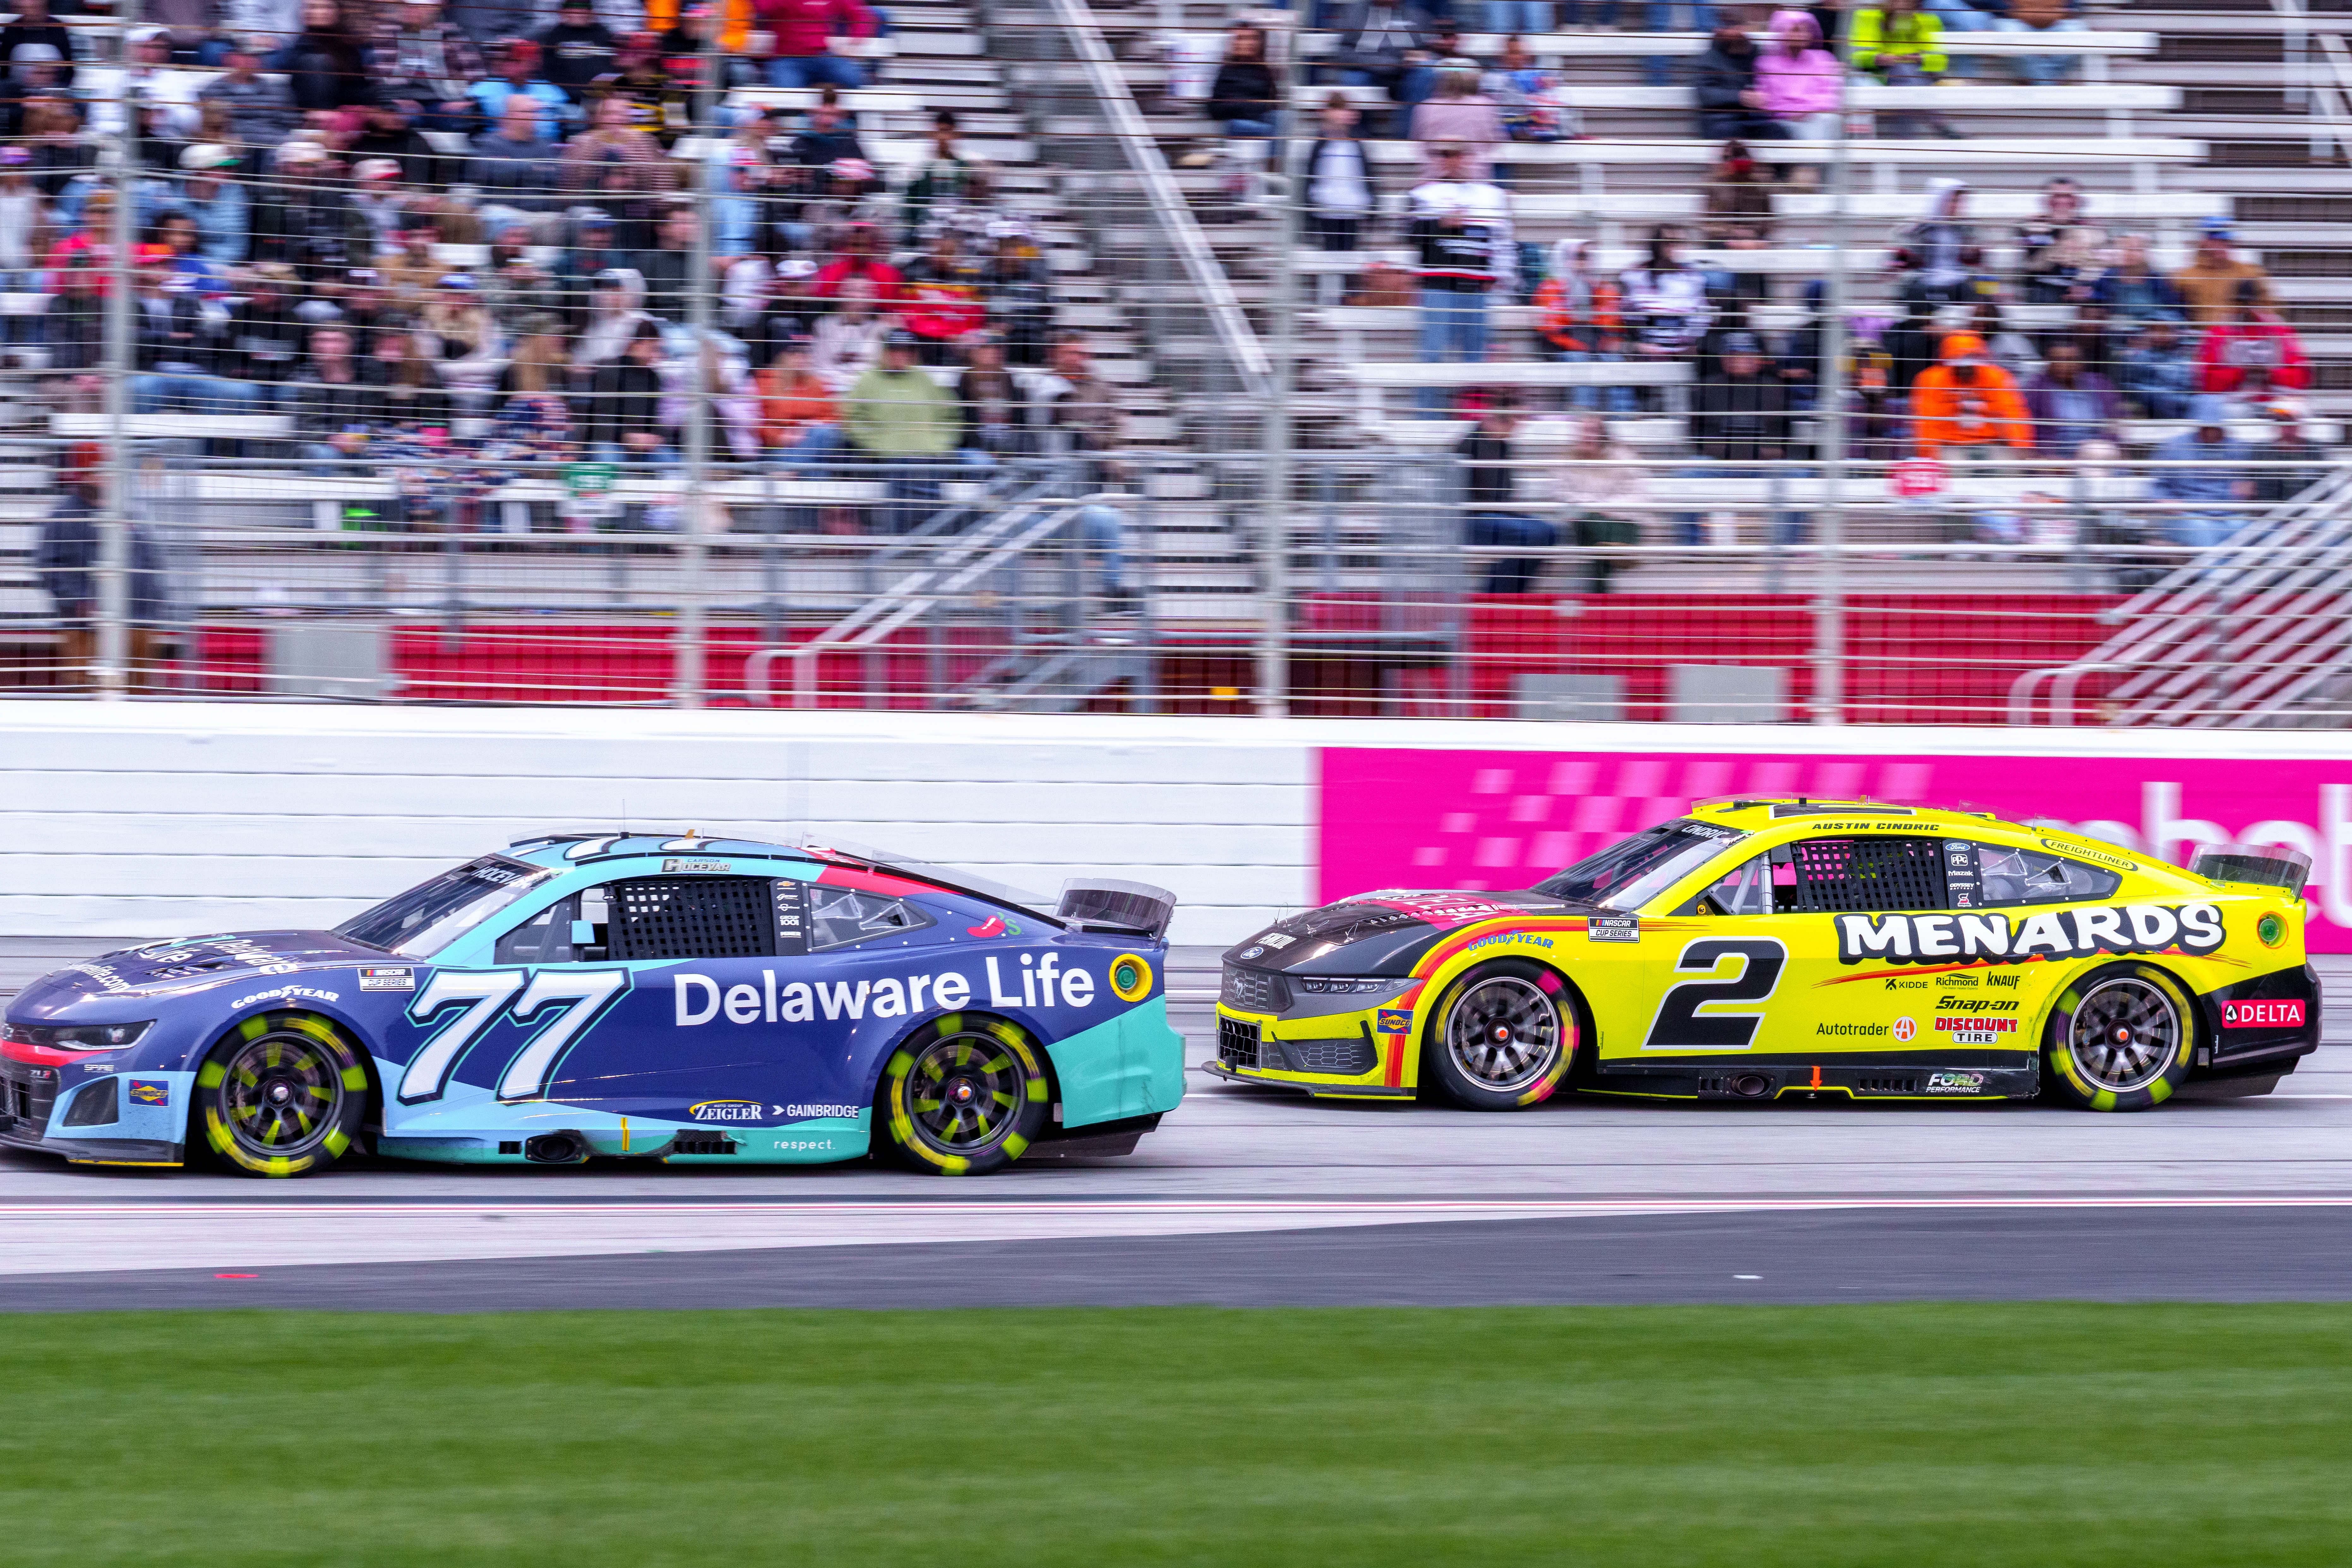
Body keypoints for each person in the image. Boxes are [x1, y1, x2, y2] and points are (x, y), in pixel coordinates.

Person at [37, 446, 169, 689]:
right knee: (87, 694)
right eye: (101, 469)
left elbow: (151, 560)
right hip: (87, 627)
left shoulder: (128, 512)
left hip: (137, 622)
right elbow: (47, 567)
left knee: (139, 694)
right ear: (84, 473)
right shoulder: (63, 516)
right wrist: (78, 602)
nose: (109, 475)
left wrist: (155, 603)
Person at [1405, 141, 1514, 415]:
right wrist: (1440, 223)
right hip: (1438, 285)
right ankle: (1427, 424)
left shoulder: (1492, 196)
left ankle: (1473, 423)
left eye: (1459, 154)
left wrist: (1501, 278)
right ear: (1438, 159)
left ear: (1470, 157)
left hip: (1476, 288)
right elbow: (1409, 236)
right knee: (1433, 358)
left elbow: (1503, 241)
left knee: (1475, 362)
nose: (1453, 161)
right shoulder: (1423, 194)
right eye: (1446, 155)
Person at [1689, 330, 1801, 544]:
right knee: (1688, 475)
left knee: (1799, 476)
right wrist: (1739, 450)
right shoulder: (1704, 389)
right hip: (1718, 464)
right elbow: (1698, 440)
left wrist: (1753, 452)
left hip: (1763, 464)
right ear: (1723, 359)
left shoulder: (1776, 389)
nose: (1741, 360)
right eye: (1734, 355)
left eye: (1747, 355)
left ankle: (1785, 547)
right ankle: (1690, 547)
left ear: (1758, 359)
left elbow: (1784, 440)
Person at [846, 327, 958, 534]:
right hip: (885, 458)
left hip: (926, 454)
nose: (900, 355)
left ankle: (931, 539)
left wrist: (940, 443)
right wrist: (877, 444)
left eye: (906, 351)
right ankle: (898, 539)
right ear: (884, 352)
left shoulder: (924, 380)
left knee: (931, 474)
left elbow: (950, 416)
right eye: (895, 350)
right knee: (906, 472)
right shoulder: (868, 381)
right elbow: (853, 418)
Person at [1457, 399, 1557, 594]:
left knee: (1550, 532)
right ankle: (1496, 595)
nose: (1517, 429)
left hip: (1494, 515)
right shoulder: (1470, 445)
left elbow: (1504, 495)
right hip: (1469, 520)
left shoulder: (1503, 446)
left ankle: (1510, 593)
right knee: (1536, 534)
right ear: (1497, 421)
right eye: (1514, 423)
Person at [1533, 238, 1630, 411]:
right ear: (1565, 259)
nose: (1584, 262)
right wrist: (1580, 346)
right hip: (1562, 349)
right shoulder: (1549, 288)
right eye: (1579, 256)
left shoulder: (1603, 288)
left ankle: (1623, 417)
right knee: (1579, 360)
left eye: (1587, 257)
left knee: (1614, 360)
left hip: (1596, 346)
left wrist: (1593, 293)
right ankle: (1585, 416)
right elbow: (1551, 330)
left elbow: (1613, 326)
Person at [1556, 412, 1647, 593]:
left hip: (1618, 519)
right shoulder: (1565, 462)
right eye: (1583, 431)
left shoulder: (1623, 457)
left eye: (1593, 431)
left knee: (1598, 538)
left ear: (1603, 435)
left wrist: (1607, 509)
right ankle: (1622, 550)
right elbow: (1562, 496)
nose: (1587, 435)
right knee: (1585, 520)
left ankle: (1601, 586)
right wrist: (1594, 509)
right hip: (1584, 521)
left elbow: (1638, 494)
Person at [1908, 329, 2029, 463]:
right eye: (1959, 364)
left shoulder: (1997, 377)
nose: (1966, 369)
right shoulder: (1930, 380)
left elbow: (2011, 413)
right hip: (1950, 446)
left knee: (2008, 468)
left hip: (1991, 444)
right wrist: (1928, 455)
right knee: (1953, 471)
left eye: (1971, 364)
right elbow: (1927, 421)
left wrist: (2020, 445)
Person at [2148, 396, 2251, 551]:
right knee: (2203, 531)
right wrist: (2165, 501)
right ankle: (2215, 575)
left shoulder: (2236, 448)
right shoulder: (2174, 448)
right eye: (2207, 427)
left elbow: (2242, 486)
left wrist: (2243, 493)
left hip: (2226, 513)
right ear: (2199, 425)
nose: (2212, 432)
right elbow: (2157, 486)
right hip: (2188, 513)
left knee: (2246, 528)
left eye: (2216, 427)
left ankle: (2237, 574)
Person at [1303, 93, 1377, 303]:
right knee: (1330, 254)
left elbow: (1367, 175)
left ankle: (1345, 298)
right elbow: (1311, 178)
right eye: (1338, 110)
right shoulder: (1320, 144)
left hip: (1351, 210)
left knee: (1349, 254)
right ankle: (1329, 299)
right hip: (1328, 211)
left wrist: (1371, 205)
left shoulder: (1356, 144)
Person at [1849, 0, 1960, 137]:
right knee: (1905, 74)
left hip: (1917, 76)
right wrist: (1879, 58)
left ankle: (1904, 142)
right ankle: (1939, 124)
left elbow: (1940, 61)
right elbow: (1858, 56)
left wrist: (1919, 58)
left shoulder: (1928, 21)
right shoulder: (1868, 17)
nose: (1902, 3)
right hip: (1881, 75)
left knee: (1906, 77)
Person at [371, 0, 485, 133]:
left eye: (418, 7)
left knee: (461, 118)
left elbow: (476, 77)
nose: (411, 11)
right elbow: (380, 78)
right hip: (403, 102)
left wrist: (464, 101)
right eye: (408, 6)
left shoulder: (451, 35)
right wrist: (394, 101)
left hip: (443, 104)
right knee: (402, 118)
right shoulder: (389, 34)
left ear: (433, 10)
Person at [2196, 278, 2310, 399]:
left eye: (2251, 303)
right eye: (2241, 303)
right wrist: (2240, 374)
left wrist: (2271, 374)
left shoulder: (2279, 330)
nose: (2246, 309)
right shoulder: (2219, 332)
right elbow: (2205, 380)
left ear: (2261, 303)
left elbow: (2302, 376)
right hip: (2231, 401)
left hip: (2275, 399)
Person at [272, 0, 375, 115]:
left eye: (326, 7)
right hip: (316, 113)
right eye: (312, 7)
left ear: (337, 12)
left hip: (348, 110)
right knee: (315, 62)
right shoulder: (302, 48)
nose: (319, 12)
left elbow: (357, 88)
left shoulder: (349, 45)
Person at [1411, 61, 1505, 180]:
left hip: (1436, 180)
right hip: (1473, 181)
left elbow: (1421, 144)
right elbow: (1494, 143)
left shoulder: (1425, 108)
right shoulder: (1487, 106)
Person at [1694, 17, 1783, 142]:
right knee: (1731, 134)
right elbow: (1705, 93)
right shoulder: (1708, 59)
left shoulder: (1757, 53)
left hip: (1755, 120)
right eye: (1731, 28)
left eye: (1739, 27)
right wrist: (1740, 97)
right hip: (1722, 120)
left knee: (1779, 132)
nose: (1737, 32)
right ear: (1719, 31)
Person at [2022, 339, 2118, 456]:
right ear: (2048, 363)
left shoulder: (2100, 384)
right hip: (2057, 456)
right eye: (2058, 360)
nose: (2065, 365)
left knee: (2098, 453)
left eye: (2071, 359)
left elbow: (2114, 423)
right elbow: (2031, 432)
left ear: (2082, 362)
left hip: (2097, 451)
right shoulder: (2037, 390)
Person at [756, 0, 877, 91]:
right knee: (787, 94)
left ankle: (843, 122)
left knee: (853, 79)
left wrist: (858, 36)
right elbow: (762, 7)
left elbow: (858, 12)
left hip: (823, 56)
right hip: (788, 59)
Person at [196, 39, 299, 146]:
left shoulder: (278, 91)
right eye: (243, 56)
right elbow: (210, 132)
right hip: (232, 150)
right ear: (228, 58)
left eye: (254, 56)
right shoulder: (213, 92)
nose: (249, 61)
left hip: (275, 147)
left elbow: (291, 126)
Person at [1757, 9, 1840, 141]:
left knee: (1829, 119)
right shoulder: (1766, 64)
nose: (1798, 35)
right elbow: (1770, 102)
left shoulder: (1823, 59)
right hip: (1784, 122)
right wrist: (1796, 113)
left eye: (1803, 30)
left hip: (1817, 118)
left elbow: (1830, 97)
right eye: (1793, 30)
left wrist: (1806, 111)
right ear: (1782, 34)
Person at [2172, 219, 2269, 327]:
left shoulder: (2249, 273)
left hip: (2237, 338)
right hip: (2200, 338)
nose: (2224, 246)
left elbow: (2269, 307)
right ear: (2205, 243)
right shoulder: (2186, 276)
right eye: (2218, 241)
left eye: (2227, 241)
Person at [536, 0, 620, 104]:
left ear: (591, 12)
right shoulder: (554, 37)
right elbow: (548, 72)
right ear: (563, 12)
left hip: (599, 99)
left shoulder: (603, 35)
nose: (578, 12)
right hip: (565, 100)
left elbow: (609, 68)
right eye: (573, 8)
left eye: (583, 8)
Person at [1207, 24, 1279, 138]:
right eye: (1243, 39)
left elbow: (1274, 104)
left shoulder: (1264, 71)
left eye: (1254, 39)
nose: (1251, 43)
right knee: (1273, 131)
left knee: (1282, 117)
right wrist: (1244, 107)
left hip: (1262, 120)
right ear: (1234, 43)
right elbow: (1214, 109)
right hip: (1237, 124)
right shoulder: (1227, 71)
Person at [2116, 318, 2196, 420]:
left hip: (2175, 417)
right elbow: (2129, 387)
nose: (2160, 335)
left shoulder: (2182, 362)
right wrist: (2160, 395)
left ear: (2175, 334)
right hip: (2146, 415)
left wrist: (2167, 398)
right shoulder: (2140, 358)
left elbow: (2187, 395)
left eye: (2165, 331)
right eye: (2156, 330)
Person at [1995, 0, 2086, 87]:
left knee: (2078, 31)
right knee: (2008, 32)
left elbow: (2073, 8)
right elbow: (2001, 7)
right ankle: (2050, 87)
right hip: (2018, 24)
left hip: (2056, 25)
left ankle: (2037, 85)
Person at [2099, 232, 2185, 324]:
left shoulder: (2158, 280)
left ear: (2146, 253)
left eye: (2136, 250)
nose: (2129, 253)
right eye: (2125, 248)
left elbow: (2175, 313)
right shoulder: (2109, 278)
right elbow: (2097, 306)